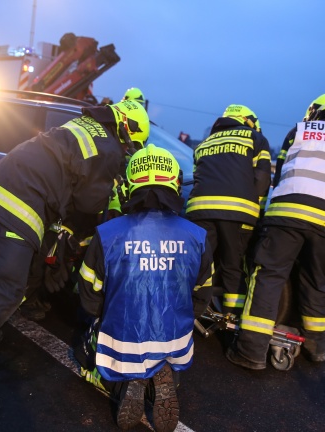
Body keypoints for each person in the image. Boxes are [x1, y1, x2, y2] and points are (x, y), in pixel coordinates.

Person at [0, 99, 150, 399]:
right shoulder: (108, 147)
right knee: (7, 286)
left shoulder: (83, 126)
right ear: (126, 130)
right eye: (131, 145)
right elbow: (89, 203)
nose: (127, 151)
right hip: (20, 203)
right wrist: (112, 195)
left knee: (17, 268)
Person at [74, 144, 214, 431]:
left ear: (129, 185)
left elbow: (88, 295)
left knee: (84, 348)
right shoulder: (197, 237)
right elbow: (203, 293)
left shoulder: (107, 234)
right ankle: (160, 372)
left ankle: (130, 378)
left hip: (122, 339)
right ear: (175, 183)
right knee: (165, 352)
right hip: (175, 339)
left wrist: (106, 317)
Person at [226, 92, 325, 370]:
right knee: (317, 280)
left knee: (269, 274)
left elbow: (280, 173)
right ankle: (317, 347)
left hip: (290, 211)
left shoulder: (301, 130)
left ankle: (250, 351)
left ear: (316, 111)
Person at [185, 104, 271, 317]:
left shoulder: (206, 142)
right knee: (233, 266)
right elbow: (261, 179)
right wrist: (257, 212)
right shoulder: (254, 138)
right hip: (238, 213)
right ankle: (230, 315)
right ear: (248, 121)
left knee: (200, 263)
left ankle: (188, 307)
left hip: (200, 211)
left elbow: (198, 177)